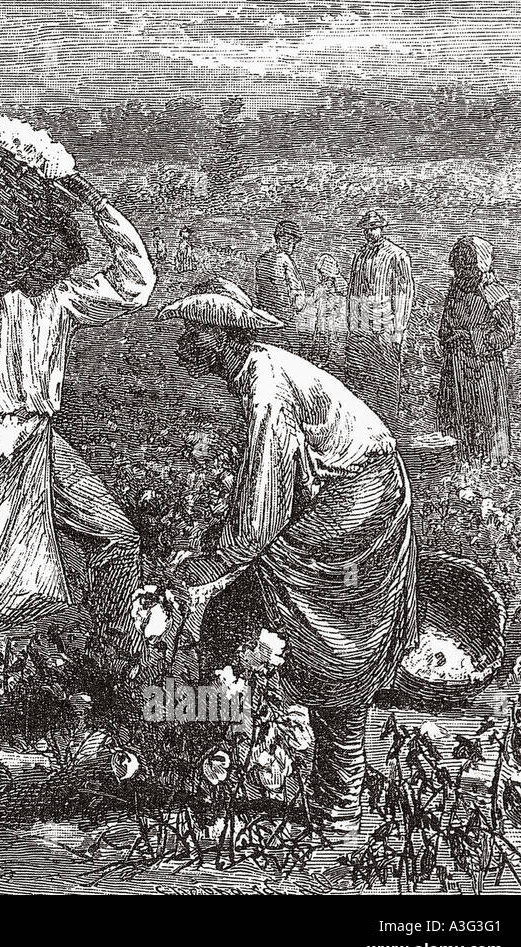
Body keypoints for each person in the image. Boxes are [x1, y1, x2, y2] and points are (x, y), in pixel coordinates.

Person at [0, 175, 156, 788]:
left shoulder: (60, 293)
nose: (63, 250)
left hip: (35, 441)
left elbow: (136, 282)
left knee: (114, 536)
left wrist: (98, 201)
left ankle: (105, 683)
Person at [161, 279, 417, 832]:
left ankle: (334, 795)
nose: (185, 341)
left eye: (194, 332)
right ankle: (243, 763)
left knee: (333, 638)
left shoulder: (266, 393)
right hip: (350, 490)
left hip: (359, 498)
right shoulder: (259, 374)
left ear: (219, 338)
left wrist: (206, 565)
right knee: (288, 620)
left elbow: (261, 514)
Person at [437, 236, 516, 464]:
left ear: (479, 266)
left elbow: (506, 334)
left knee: (485, 415)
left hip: (484, 369)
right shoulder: (455, 291)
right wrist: (449, 338)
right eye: (459, 266)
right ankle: (460, 458)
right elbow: (444, 327)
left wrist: (473, 338)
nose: (461, 271)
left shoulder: (494, 293)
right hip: (456, 366)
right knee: (455, 413)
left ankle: (489, 461)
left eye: (467, 265)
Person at [346, 209, 414, 431]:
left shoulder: (397, 255)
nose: (370, 233)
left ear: (382, 229)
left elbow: (404, 292)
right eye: (367, 229)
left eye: (374, 228)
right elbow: (352, 290)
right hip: (361, 326)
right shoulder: (360, 255)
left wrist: (399, 329)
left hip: (385, 326)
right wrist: (351, 321)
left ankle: (388, 424)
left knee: (386, 376)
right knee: (361, 375)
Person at [254, 218, 304, 341]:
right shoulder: (284, 259)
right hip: (284, 313)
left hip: (265, 312)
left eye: (292, 242)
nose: (291, 245)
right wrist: (296, 306)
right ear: (279, 239)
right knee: (292, 347)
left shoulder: (262, 259)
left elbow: (258, 288)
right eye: (288, 241)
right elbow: (296, 288)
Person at [298, 253, 348, 372]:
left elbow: (343, 298)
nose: (321, 275)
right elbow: (312, 299)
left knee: (334, 339)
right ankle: (323, 359)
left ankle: (334, 363)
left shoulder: (340, 284)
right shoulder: (321, 286)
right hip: (323, 318)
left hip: (335, 318)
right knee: (322, 337)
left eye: (323, 272)